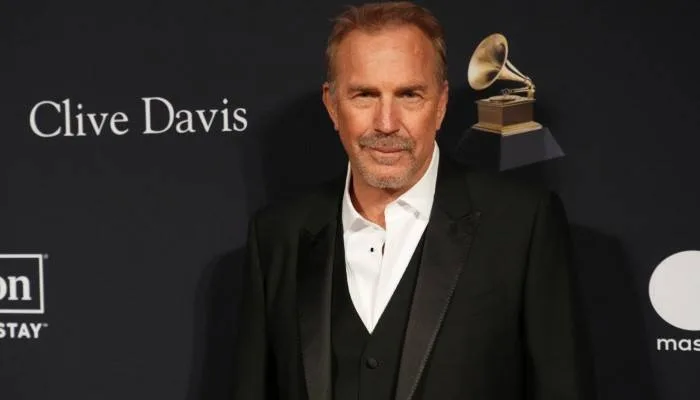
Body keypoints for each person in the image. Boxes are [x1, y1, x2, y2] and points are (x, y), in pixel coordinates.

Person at [232, 2, 583, 399]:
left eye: (409, 95)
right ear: (332, 105)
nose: (386, 123)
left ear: (441, 103)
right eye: (365, 95)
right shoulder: (278, 235)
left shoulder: (522, 225)